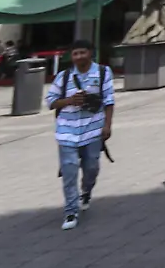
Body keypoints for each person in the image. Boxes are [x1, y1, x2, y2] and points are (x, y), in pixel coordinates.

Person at [45, 40, 114, 230]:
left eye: (82, 53)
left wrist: (107, 125)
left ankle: (86, 191)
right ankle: (70, 211)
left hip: (93, 129)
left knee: (91, 167)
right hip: (66, 131)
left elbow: (109, 101)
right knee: (69, 169)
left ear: (90, 53)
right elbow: (50, 102)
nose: (79, 57)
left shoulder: (102, 72)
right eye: (75, 54)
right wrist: (69, 100)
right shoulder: (63, 76)